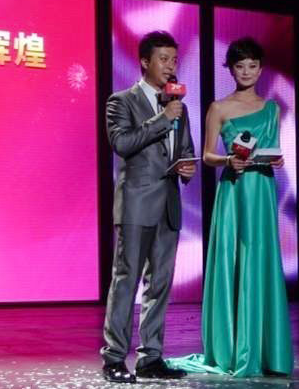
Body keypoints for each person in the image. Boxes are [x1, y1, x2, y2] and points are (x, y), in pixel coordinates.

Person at [168, 37, 294, 377]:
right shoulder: (219, 108)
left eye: (253, 65)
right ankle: (232, 348)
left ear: (261, 69)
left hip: (262, 191)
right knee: (233, 261)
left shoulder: (272, 108)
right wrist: (227, 160)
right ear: (231, 70)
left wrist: (277, 160)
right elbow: (208, 155)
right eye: (240, 66)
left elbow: (272, 149)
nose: (247, 72)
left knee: (260, 262)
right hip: (234, 191)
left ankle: (266, 351)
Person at [101, 30, 196, 383]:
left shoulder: (179, 107)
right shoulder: (121, 101)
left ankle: (150, 357)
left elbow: (185, 149)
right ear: (145, 62)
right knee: (126, 281)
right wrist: (163, 118)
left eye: (174, 59)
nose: (171, 66)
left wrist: (187, 166)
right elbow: (122, 143)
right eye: (163, 59)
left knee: (160, 285)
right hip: (137, 204)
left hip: (169, 204)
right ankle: (114, 358)